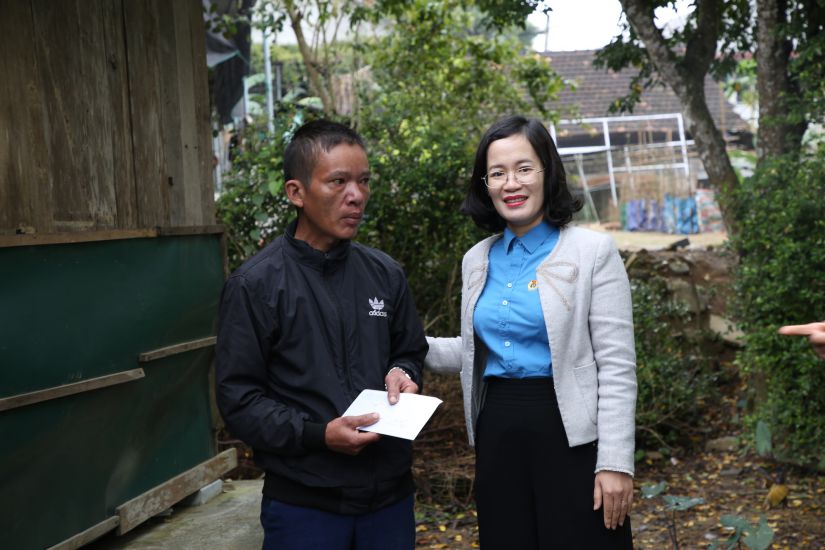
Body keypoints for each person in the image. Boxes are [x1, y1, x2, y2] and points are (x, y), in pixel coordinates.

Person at [425, 115, 637, 549]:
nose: (511, 183)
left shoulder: (592, 252)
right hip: (498, 430)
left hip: (571, 432)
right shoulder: (477, 259)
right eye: (497, 173)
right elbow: (479, 349)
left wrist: (615, 462)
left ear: (548, 172)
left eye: (524, 168)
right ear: (485, 184)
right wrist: (407, 347)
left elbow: (617, 366)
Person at [215, 119, 428, 550]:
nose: (357, 196)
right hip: (304, 507)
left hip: (389, 500)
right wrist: (318, 435)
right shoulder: (256, 285)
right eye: (339, 182)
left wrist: (403, 371)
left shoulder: (384, 274)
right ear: (296, 192)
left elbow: (409, 349)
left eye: (364, 181)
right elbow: (239, 399)